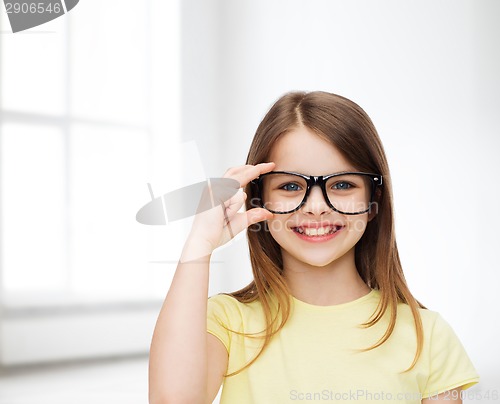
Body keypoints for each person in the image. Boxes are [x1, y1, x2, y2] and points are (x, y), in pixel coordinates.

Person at [148, 91, 480, 404]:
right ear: (258, 196)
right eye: (291, 185)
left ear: (373, 198)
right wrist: (199, 244)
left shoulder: (428, 335)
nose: (317, 206)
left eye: (342, 184)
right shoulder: (227, 321)